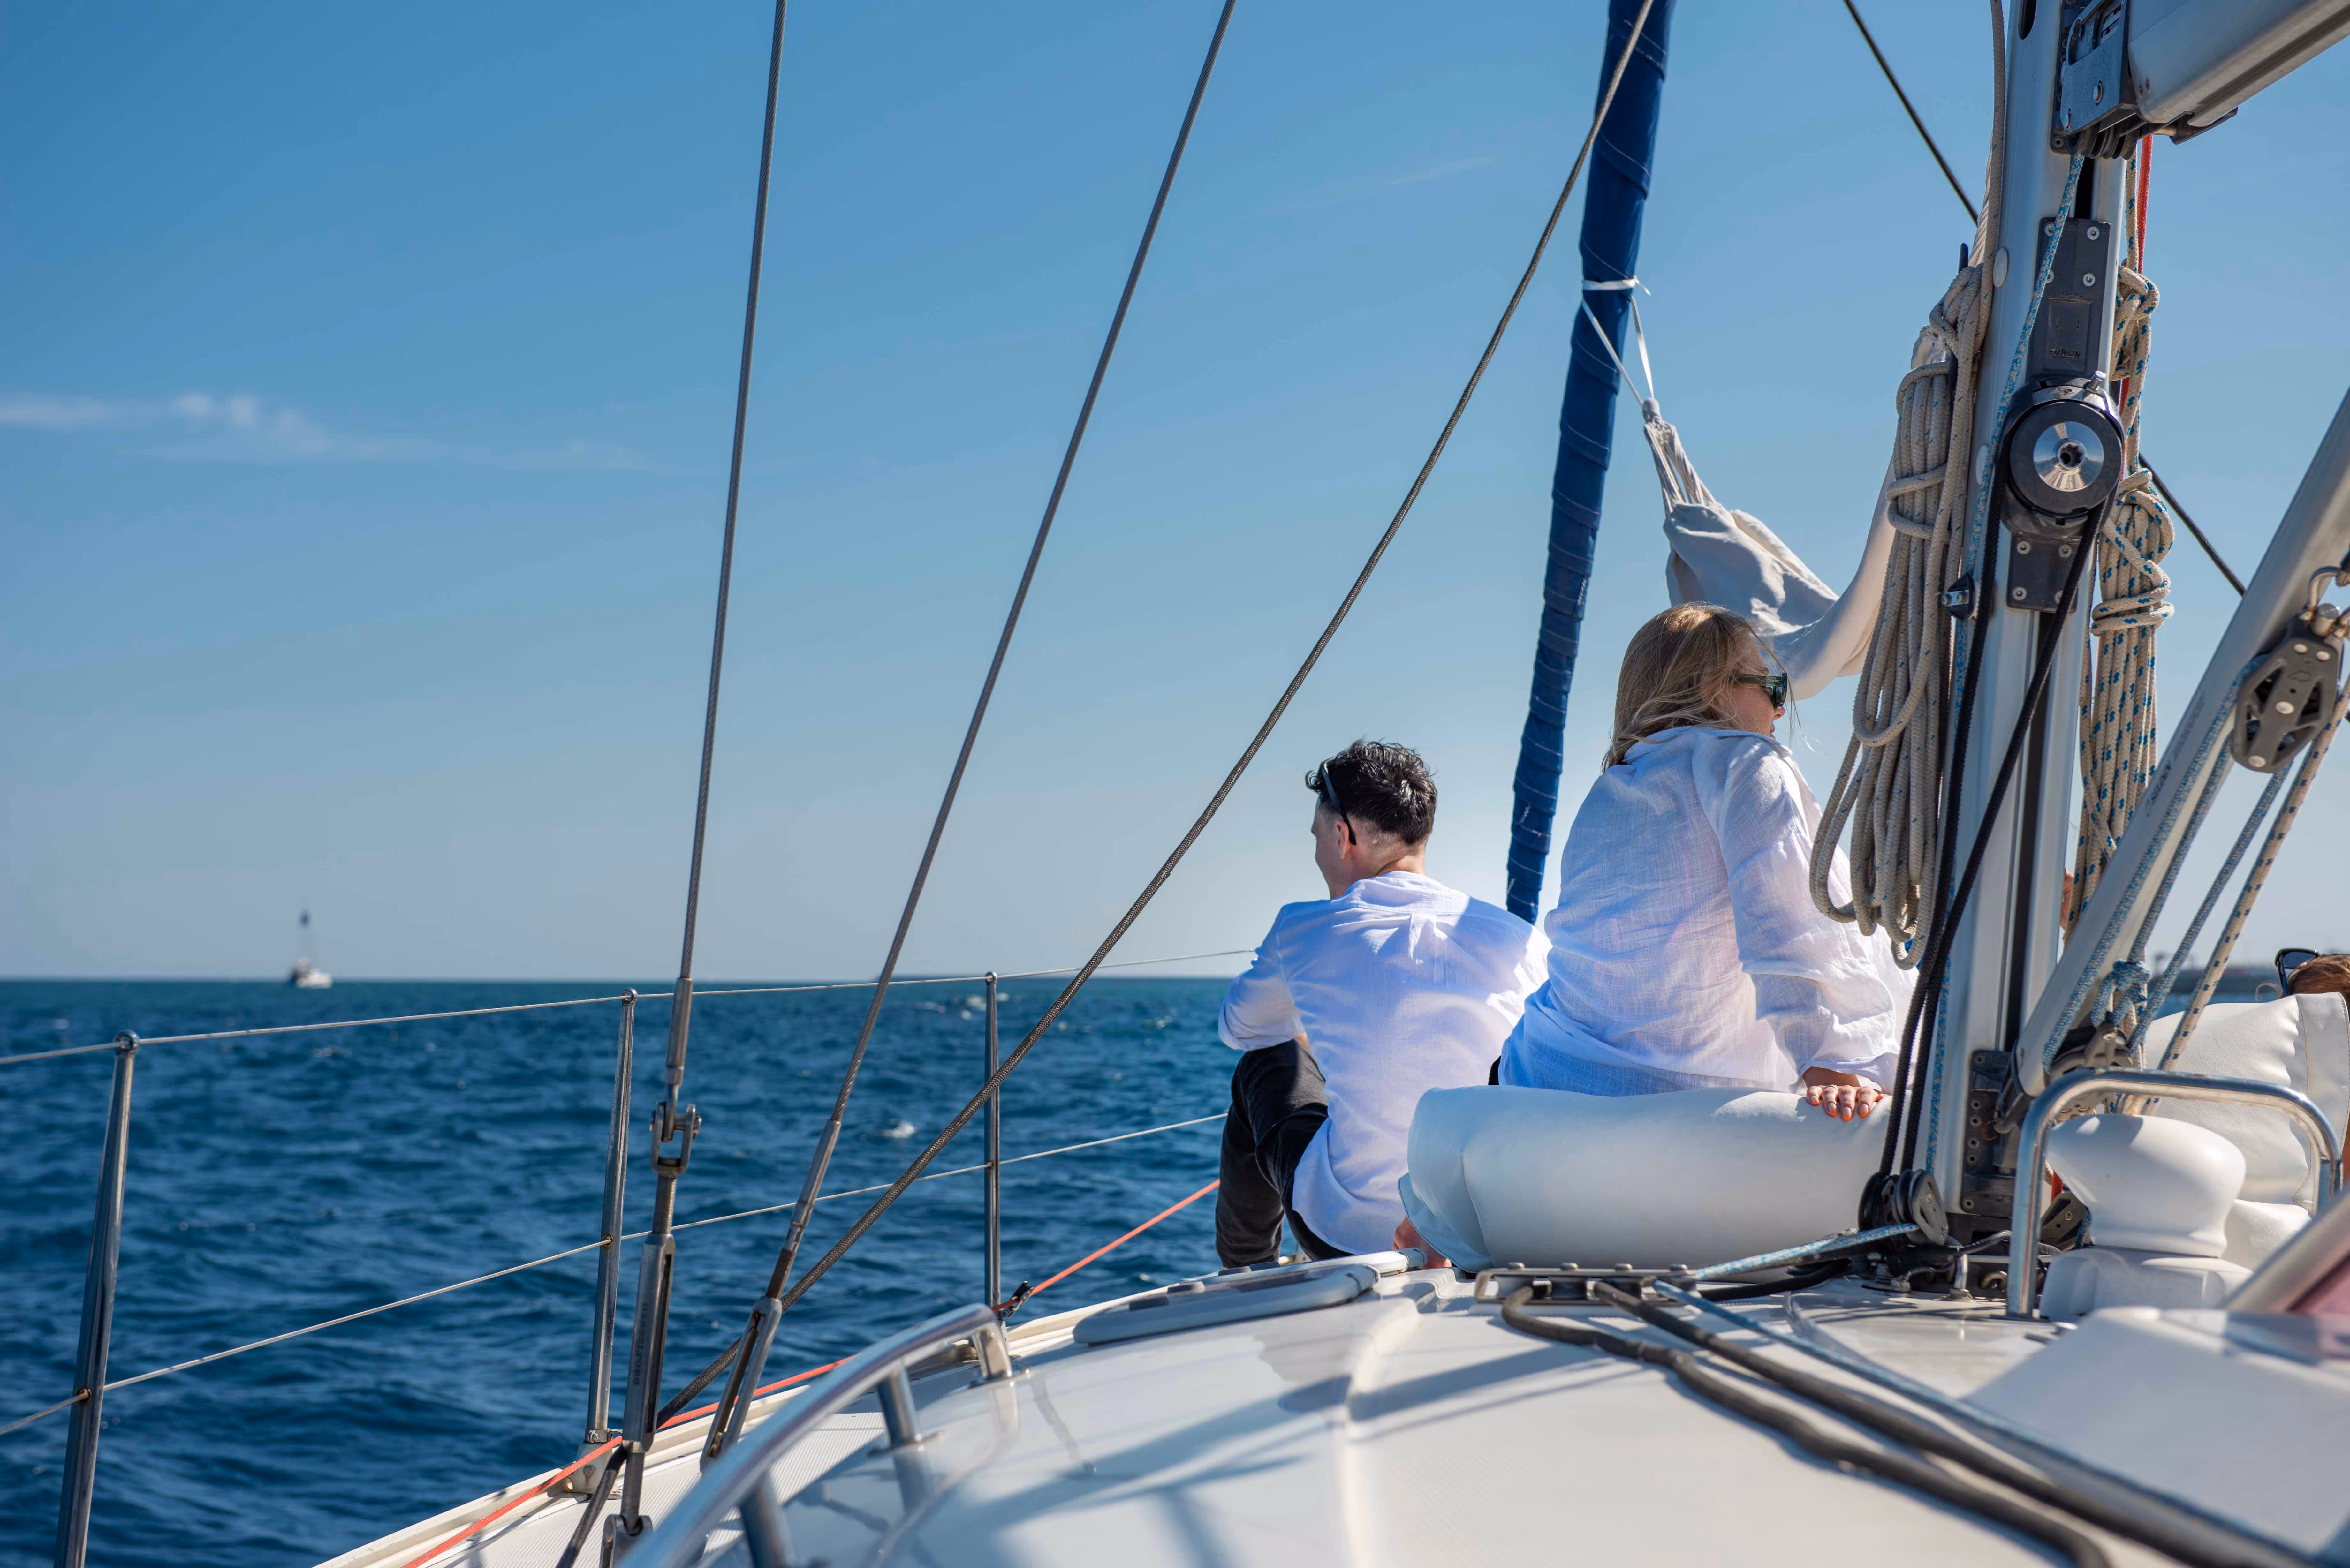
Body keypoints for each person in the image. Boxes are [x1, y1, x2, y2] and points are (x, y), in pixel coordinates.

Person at [1497, 603, 1912, 1121]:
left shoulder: (1610, 791)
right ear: (1716, 686)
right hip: (1670, 1106)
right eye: (1772, 688)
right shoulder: (1745, 762)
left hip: (1540, 1075)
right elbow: (1788, 917)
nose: (1779, 711)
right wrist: (1833, 1063)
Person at [1217, 740, 1548, 1266]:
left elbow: (1242, 1029)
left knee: (1265, 1062)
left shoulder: (1303, 929)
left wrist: (1310, 1031)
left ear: (1343, 837)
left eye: (1318, 837)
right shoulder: (1521, 939)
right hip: (1486, 1235)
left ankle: (1245, 1271)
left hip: (1350, 1233)